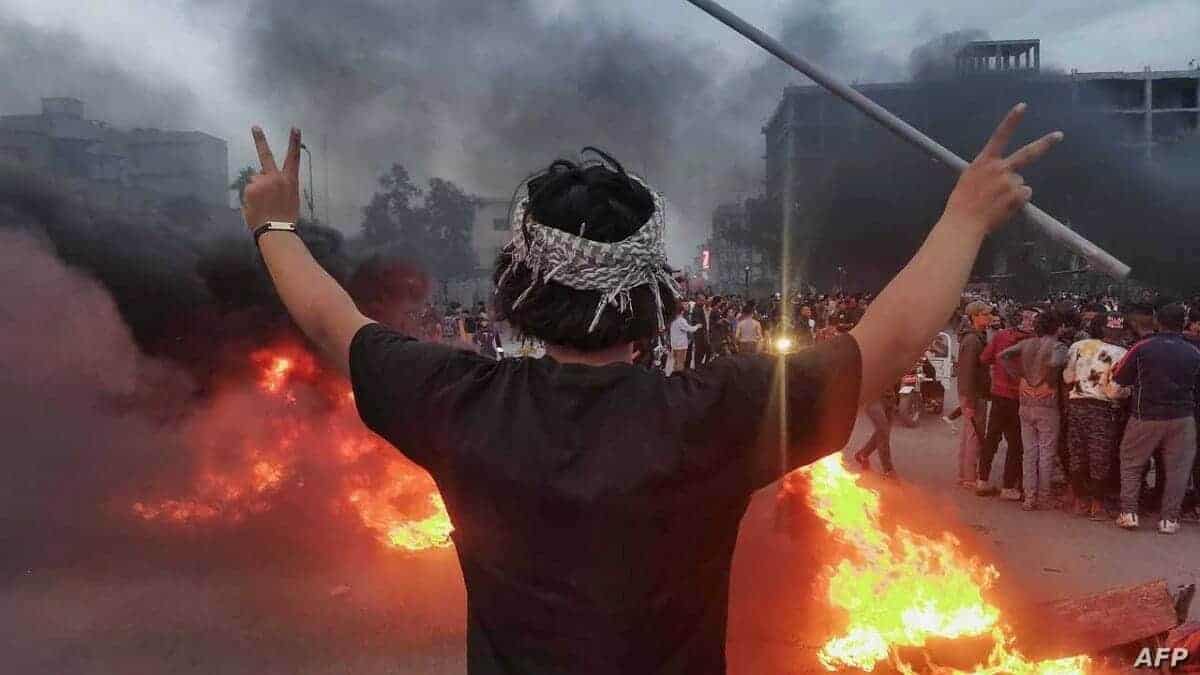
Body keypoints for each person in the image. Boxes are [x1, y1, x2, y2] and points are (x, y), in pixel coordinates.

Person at [241, 105, 1059, 673]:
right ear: (653, 294)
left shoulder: (457, 401)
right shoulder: (716, 413)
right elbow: (893, 339)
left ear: (518, 286)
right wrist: (964, 218)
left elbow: (330, 322)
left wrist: (273, 225)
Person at [1112, 303, 1200, 534]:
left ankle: (1129, 513)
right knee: (1178, 471)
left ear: (1157, 322)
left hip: (1145, 416)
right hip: (1182, 417)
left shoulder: (1142, 347)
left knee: (1131, 464)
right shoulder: (1194, 352)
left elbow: (1120, 377)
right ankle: (1169, 519)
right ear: (1183, 323)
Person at [1062, 313, 1130, 519]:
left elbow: (1067, 377)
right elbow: (1115, 390)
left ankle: (1079, 502)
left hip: (1076, 404)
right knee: (1100, 456)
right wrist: (1128, 392)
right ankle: (1097, 506)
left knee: (1077, 453)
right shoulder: (1122, 353)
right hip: (1102, 409)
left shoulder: (1078, 346)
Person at [1000, 311, 1069, 510]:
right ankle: (1044, 497)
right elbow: (1056, 363)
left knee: (1029, 453)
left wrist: (1021, 378)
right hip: (1047, 403)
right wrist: (1047, 383)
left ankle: (1029, 497)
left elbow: (1003, 356)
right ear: (1056, 328)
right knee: (1046, 453)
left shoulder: (1026, 344)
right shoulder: (1058, 346)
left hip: (1025, 402)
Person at [978, 306, 1039, 499]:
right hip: (1019, 398)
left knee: (991, 437)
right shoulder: (1035, 342)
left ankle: (982, 481)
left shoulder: (1001, 336)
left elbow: (984, 358)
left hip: (998, 394)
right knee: (1015, 443)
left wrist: (998, 370)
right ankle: (1008, 487)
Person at [958, 301, 993, 490]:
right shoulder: (973, 340)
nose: (989, 317)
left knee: (969, 435)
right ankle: (970, 477)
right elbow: (967, 372)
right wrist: (969, 402)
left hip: (974, 393)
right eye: (985, 314)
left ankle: (964, 474)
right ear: (975, 316)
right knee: (974, 436)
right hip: (974, 394)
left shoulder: (976, 336)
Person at [669, 305, 701, 373]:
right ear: (682, 311)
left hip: (674, 345)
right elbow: (690, 329)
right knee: (680, 363)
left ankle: (675, 375)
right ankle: (678, 377)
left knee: (676, 362)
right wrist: (697, 326)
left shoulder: (672, 320)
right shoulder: (681, 320)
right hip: (681, 345)